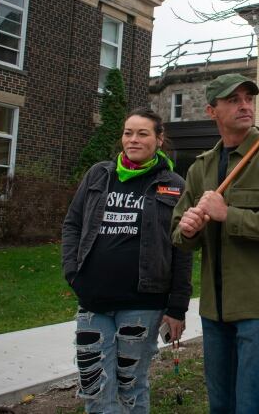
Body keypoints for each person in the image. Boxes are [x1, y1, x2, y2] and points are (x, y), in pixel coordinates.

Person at [171, 74, 259, 413]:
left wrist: (228, 214)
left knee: (251, 405)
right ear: (212, 110)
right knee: (221, 405)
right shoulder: (202, 167)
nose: (245, 105)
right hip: (216, 310)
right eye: (233, 100)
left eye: (248, 98)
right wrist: (187, 230)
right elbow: (180, 234)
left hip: (258, 307)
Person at [61, 108, 192, 413]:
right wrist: (72, 272)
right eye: (128, 133)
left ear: (159, 140)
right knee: (93, 384)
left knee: (130, 385)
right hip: (94, 300)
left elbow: (182, 247)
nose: (133, 140)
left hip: (142, 304)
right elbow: (72, 224)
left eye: (143, 133)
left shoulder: (173, 185)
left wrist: (177, 307)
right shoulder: (99, 175)